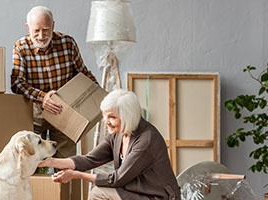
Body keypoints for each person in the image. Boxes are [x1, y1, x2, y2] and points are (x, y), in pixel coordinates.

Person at [38, 89, 181, 200]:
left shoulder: (146, 141)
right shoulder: (118, 134)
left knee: (99, 193)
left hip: (158, 197)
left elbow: (117, 179)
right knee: (100, 192)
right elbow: (89, 160)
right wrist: (50, 162)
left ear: (127, 117)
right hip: (138, 193)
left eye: (112, 117)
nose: (106, 121)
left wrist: (76, 175)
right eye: (105, 116)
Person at [11, 6, 97, 158]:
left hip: (64, 109)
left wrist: (100, 96)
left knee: (66, 161)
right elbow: (16, 83)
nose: (41, 35)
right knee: (31, 159)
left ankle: (64, 182)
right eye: (36, 30)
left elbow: (83, 74)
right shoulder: (21, 47)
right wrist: (43, 97)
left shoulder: (67, 43)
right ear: (28, 27)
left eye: (46, 29)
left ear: (53, 26)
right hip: (35, 110)